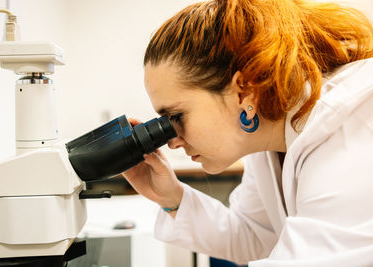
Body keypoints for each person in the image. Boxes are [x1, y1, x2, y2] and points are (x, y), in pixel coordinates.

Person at [122, 0, 373, 266]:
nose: (171, 140)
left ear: (243, 91)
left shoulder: (353, 124)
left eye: (175, 117)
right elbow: (255, 236)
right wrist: (171, 197)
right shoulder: (267, 135)